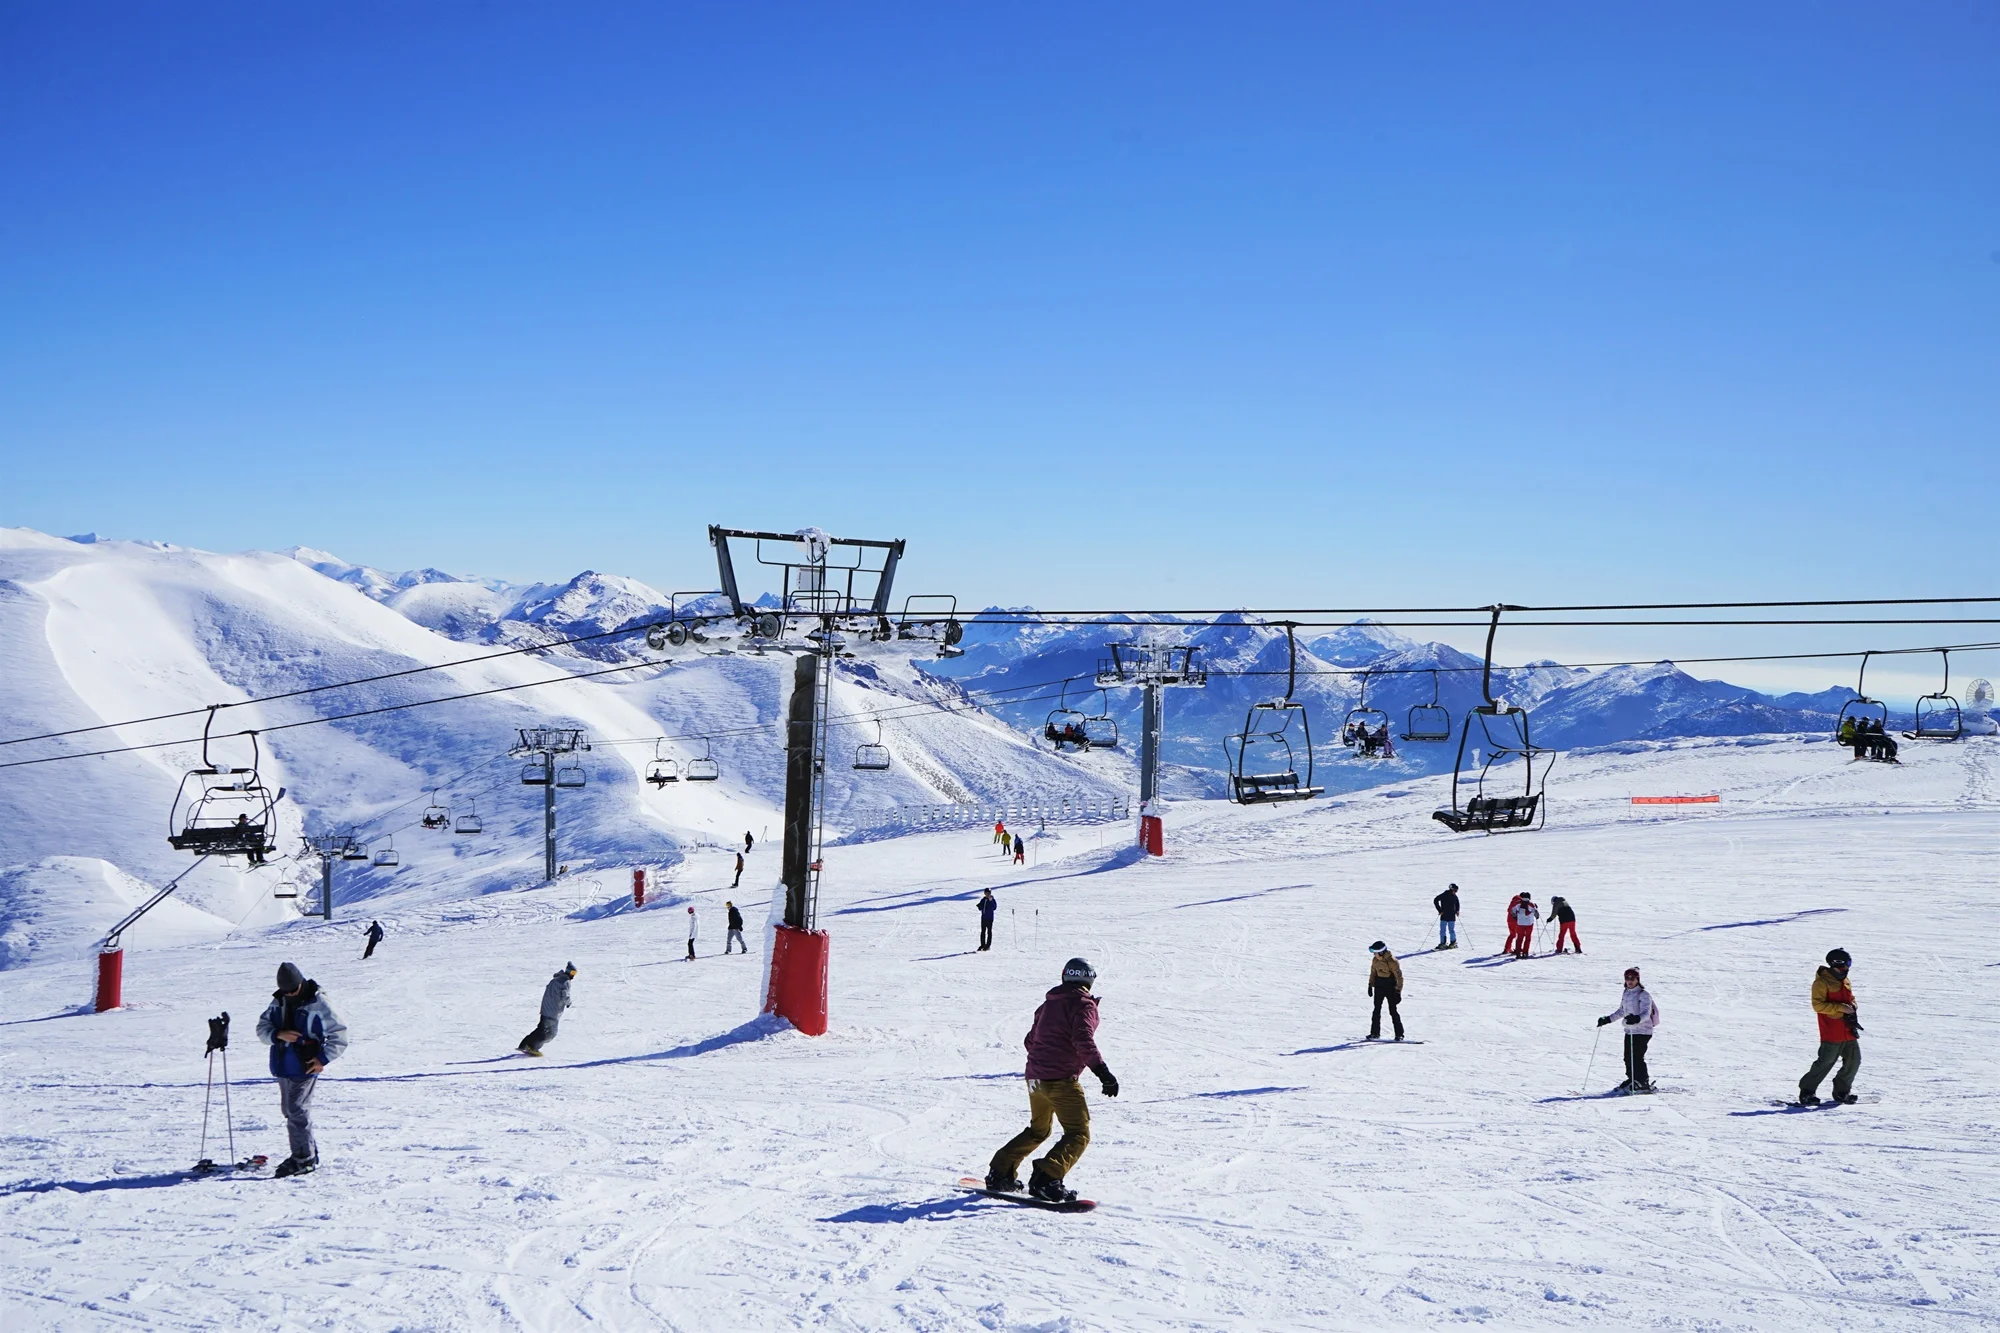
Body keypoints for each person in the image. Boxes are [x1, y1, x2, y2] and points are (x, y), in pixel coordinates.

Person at [987, 957, 1118, 1204]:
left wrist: (1043, 1061)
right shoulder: (1084, 1006)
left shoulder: (1047, 1005)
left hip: (1035, 1079)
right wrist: (1103, 1073)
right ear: (1089, 981)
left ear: (1064, 976)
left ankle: (1000, 1172)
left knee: (1039, 1130)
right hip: (1060, 1080)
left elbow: (1030, 1041)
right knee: (1078, 1133)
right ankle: (1047, 1178)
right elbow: (1083, 1041)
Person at [256, 961, 347, 1177]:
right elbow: (262, 1028)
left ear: (301, 983)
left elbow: (340, 1034)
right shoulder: (278, 1001)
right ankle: (308, 1153)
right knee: (290, 1110)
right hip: (282, 1064)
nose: (289, 994)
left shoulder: (318, 1002)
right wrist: (278, 1034)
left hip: (305, 1065)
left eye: (293, 990)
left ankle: (304, 1158)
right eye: (285, 991)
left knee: (296, 1109)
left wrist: (322, 1059)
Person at [1798, 948, 1862, 1105]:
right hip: (1832, 1030)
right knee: (1826, 1061)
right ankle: (1807, 1091)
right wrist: (1840, 1008)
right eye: (1847, 963)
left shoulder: (1844, 980)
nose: (1848, 967)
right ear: (1837, 964)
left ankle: (1842, 1091)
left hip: (1848, 1029)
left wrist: (1853, 1005)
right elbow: (1818, 1005)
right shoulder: (1821, 982)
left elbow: (1851, 997)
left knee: (1854, 1060)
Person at [1596, 967, 1660, 1092]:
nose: (1629, 981)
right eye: (1627, 978)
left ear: (1638, 979)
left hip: (1643, 1031)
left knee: (1637, 1057)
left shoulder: (1644, 995)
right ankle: (1632, 1078)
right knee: (1628, 1057)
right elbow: (1622, 1011)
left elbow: (1646, 1013)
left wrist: (1637, 1019)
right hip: (1630, 1030)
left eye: (1632, 978)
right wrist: (1608, 1019)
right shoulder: (1626, 993)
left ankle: (1642, 1081)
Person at [519, 963, 575, 1056]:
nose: (573, 975)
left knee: (541, 1029)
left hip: (546, 1009)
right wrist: (568, 1003)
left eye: (575, 973)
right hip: (553, 1012)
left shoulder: (555, 980)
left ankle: (524, 1045)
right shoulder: (566, 981)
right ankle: (533, 1047)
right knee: (550, 1033)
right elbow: (565, 996)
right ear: (568, 972)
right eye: (573, 972)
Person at [1366, 941, 1405, 1040]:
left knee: (1393, 1011)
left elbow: (1399, 977)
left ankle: (1399, 1034)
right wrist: (1370, 985)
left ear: (1381, 952)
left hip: (1390, 986)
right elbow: (1373, 972)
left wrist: (1398, 991)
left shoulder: (1392, 961)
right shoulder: (1375, 960)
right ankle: (1375, 1033)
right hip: (1379, 986)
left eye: (1375, 952)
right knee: (1376, 1010)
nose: (1374, 954)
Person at [1508, 893, 1541, 957]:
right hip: (1529, 924)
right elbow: (1536, 914)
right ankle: (1525, 953)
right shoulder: (1531, 904)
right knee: (1527, 938)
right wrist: (1536, 916)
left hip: (1520, 923)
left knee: (1519, 938)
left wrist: (1517, 918)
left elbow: (1512, 911)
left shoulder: (1518, 903)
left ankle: (1518, 953)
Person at [1432, 883, 1460, 950]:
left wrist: (1457, 911)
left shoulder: (1454, 896)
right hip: (1444, 915)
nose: (1456, 892)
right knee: (1443, 930)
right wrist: (1439, 910)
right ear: (1452, 889)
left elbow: (1457, 903)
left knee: (1451, 930)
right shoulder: (1444, 895)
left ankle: (1453, 943)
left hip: (1451, 916)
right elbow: (1435, 900)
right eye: (1455, 890)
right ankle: (1443, 943)